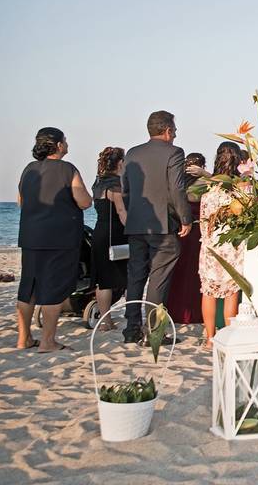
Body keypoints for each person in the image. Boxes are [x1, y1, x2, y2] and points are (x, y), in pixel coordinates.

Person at [16, 128, 93, 351]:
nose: (67, 144)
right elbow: (83, 201)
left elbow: (21, 200)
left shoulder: (28, 169)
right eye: (65, 141)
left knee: (28, 287)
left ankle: (24, 338)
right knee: (53, 287)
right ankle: (48, 341)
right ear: (58, 145)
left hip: (31, 235)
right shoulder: (67, 169)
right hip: (60, 236)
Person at [121, 111, 193, 344]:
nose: (175, 134)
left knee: (135, 277)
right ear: (168, 130)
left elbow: (126, 190)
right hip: (163, 225)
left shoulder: (132, 153)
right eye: (174, 129)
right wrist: (185, 218)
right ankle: (154, 332)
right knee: (158, 278)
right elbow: (177, 189)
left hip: (136, 223)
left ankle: (131, 329)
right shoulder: (174, 152)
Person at [197, 143, 243, 350]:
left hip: (210, 244)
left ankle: (209, 338)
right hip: (231, 245)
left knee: (208, 292)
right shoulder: (239, 189)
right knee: (230, 293)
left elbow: (203, 220)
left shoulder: (209, 189)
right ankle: (228, 337)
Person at [165, 152, 207, 325]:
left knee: (179, 272)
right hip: (198, 231)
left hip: (181, 231)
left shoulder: (177, 184)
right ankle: (195, 313)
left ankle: (175, 311)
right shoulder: (205, 183)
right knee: (195, 273)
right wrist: (206, 175)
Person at [90, 148, 129, 331]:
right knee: (128, 276)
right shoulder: (116, 185)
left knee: (103, 279)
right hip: (116, 233)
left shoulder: (98, 184)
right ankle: (130, 315)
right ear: (120, 163)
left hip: (99, 231)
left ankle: (106, 321)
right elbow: (121, 212)